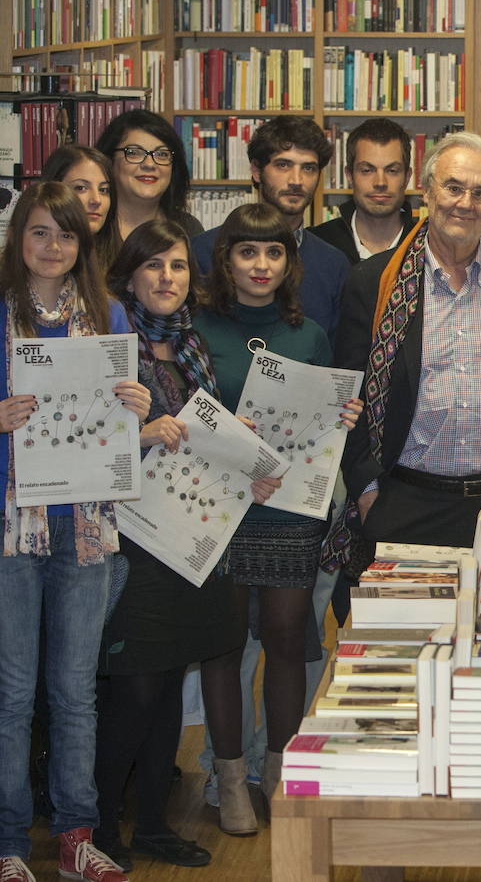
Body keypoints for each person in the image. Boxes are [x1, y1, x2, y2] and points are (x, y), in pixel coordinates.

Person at [93, 219, 279, 870]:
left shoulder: (194, 346)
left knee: (171, 685)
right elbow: (84, 444)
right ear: (129, 277)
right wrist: (146, 430)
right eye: (153, 267)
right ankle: (96, 830)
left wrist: (241, 457)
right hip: (132, 543)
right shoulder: (111, 346)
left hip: (197, 540)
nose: (166, 278)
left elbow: (205, 442)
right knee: (135, 691)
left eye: (176, 267)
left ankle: (151, 824)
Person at [0, 182, 153, 882]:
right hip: (13, 530)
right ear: (17, 239)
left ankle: (76, 836)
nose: (53, 247)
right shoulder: (0, 315)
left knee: (74, 693)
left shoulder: (109, 312)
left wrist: (136, 403)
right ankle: (6, 843)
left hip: (87, 529)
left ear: (81, 244)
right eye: (39, 233)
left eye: (65, 235)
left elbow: (121, 425)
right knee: (12, 693)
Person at [193, 203, 359, 832]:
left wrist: (337, 419)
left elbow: (316, 431)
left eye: (274, 253)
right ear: (226, 258)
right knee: (224, 645)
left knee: (289, 641)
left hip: (288, 509)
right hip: (220, 507)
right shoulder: (198, 328)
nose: (261, 265)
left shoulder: (307, 333)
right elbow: (186, 419)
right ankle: (230, 779)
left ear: (289, 261)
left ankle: (281, 772)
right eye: (247, 252)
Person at [333, 131, 481, 558]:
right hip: (410, 508)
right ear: (426, 190)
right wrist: (367, 490)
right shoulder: (373, 284)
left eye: (480, 192)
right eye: (453, 187)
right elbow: (348, 396)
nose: (465, 203)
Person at [192, 116, 350, 341]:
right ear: (256, 171)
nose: (296, 180)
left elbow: (336, 361)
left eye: (308, 168)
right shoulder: (202, 252)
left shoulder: (333, 265)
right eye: (283, 165)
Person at [309, 117, 418, 266]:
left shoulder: (428, 247)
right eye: (367, 170)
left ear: (407, 177)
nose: (380, 183)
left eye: (392, 170)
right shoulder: (317, 245)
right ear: (349, 176)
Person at [94, 109, 203, 242]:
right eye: (134, 153)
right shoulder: (92, 226)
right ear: (109, 160)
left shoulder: (189, 229)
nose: (149, 164)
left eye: (162, 154)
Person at [41, 146, 121, 274]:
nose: (96, 200)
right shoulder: (37, 260)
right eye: (81, 188)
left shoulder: (122, 266)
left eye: (103, 190)